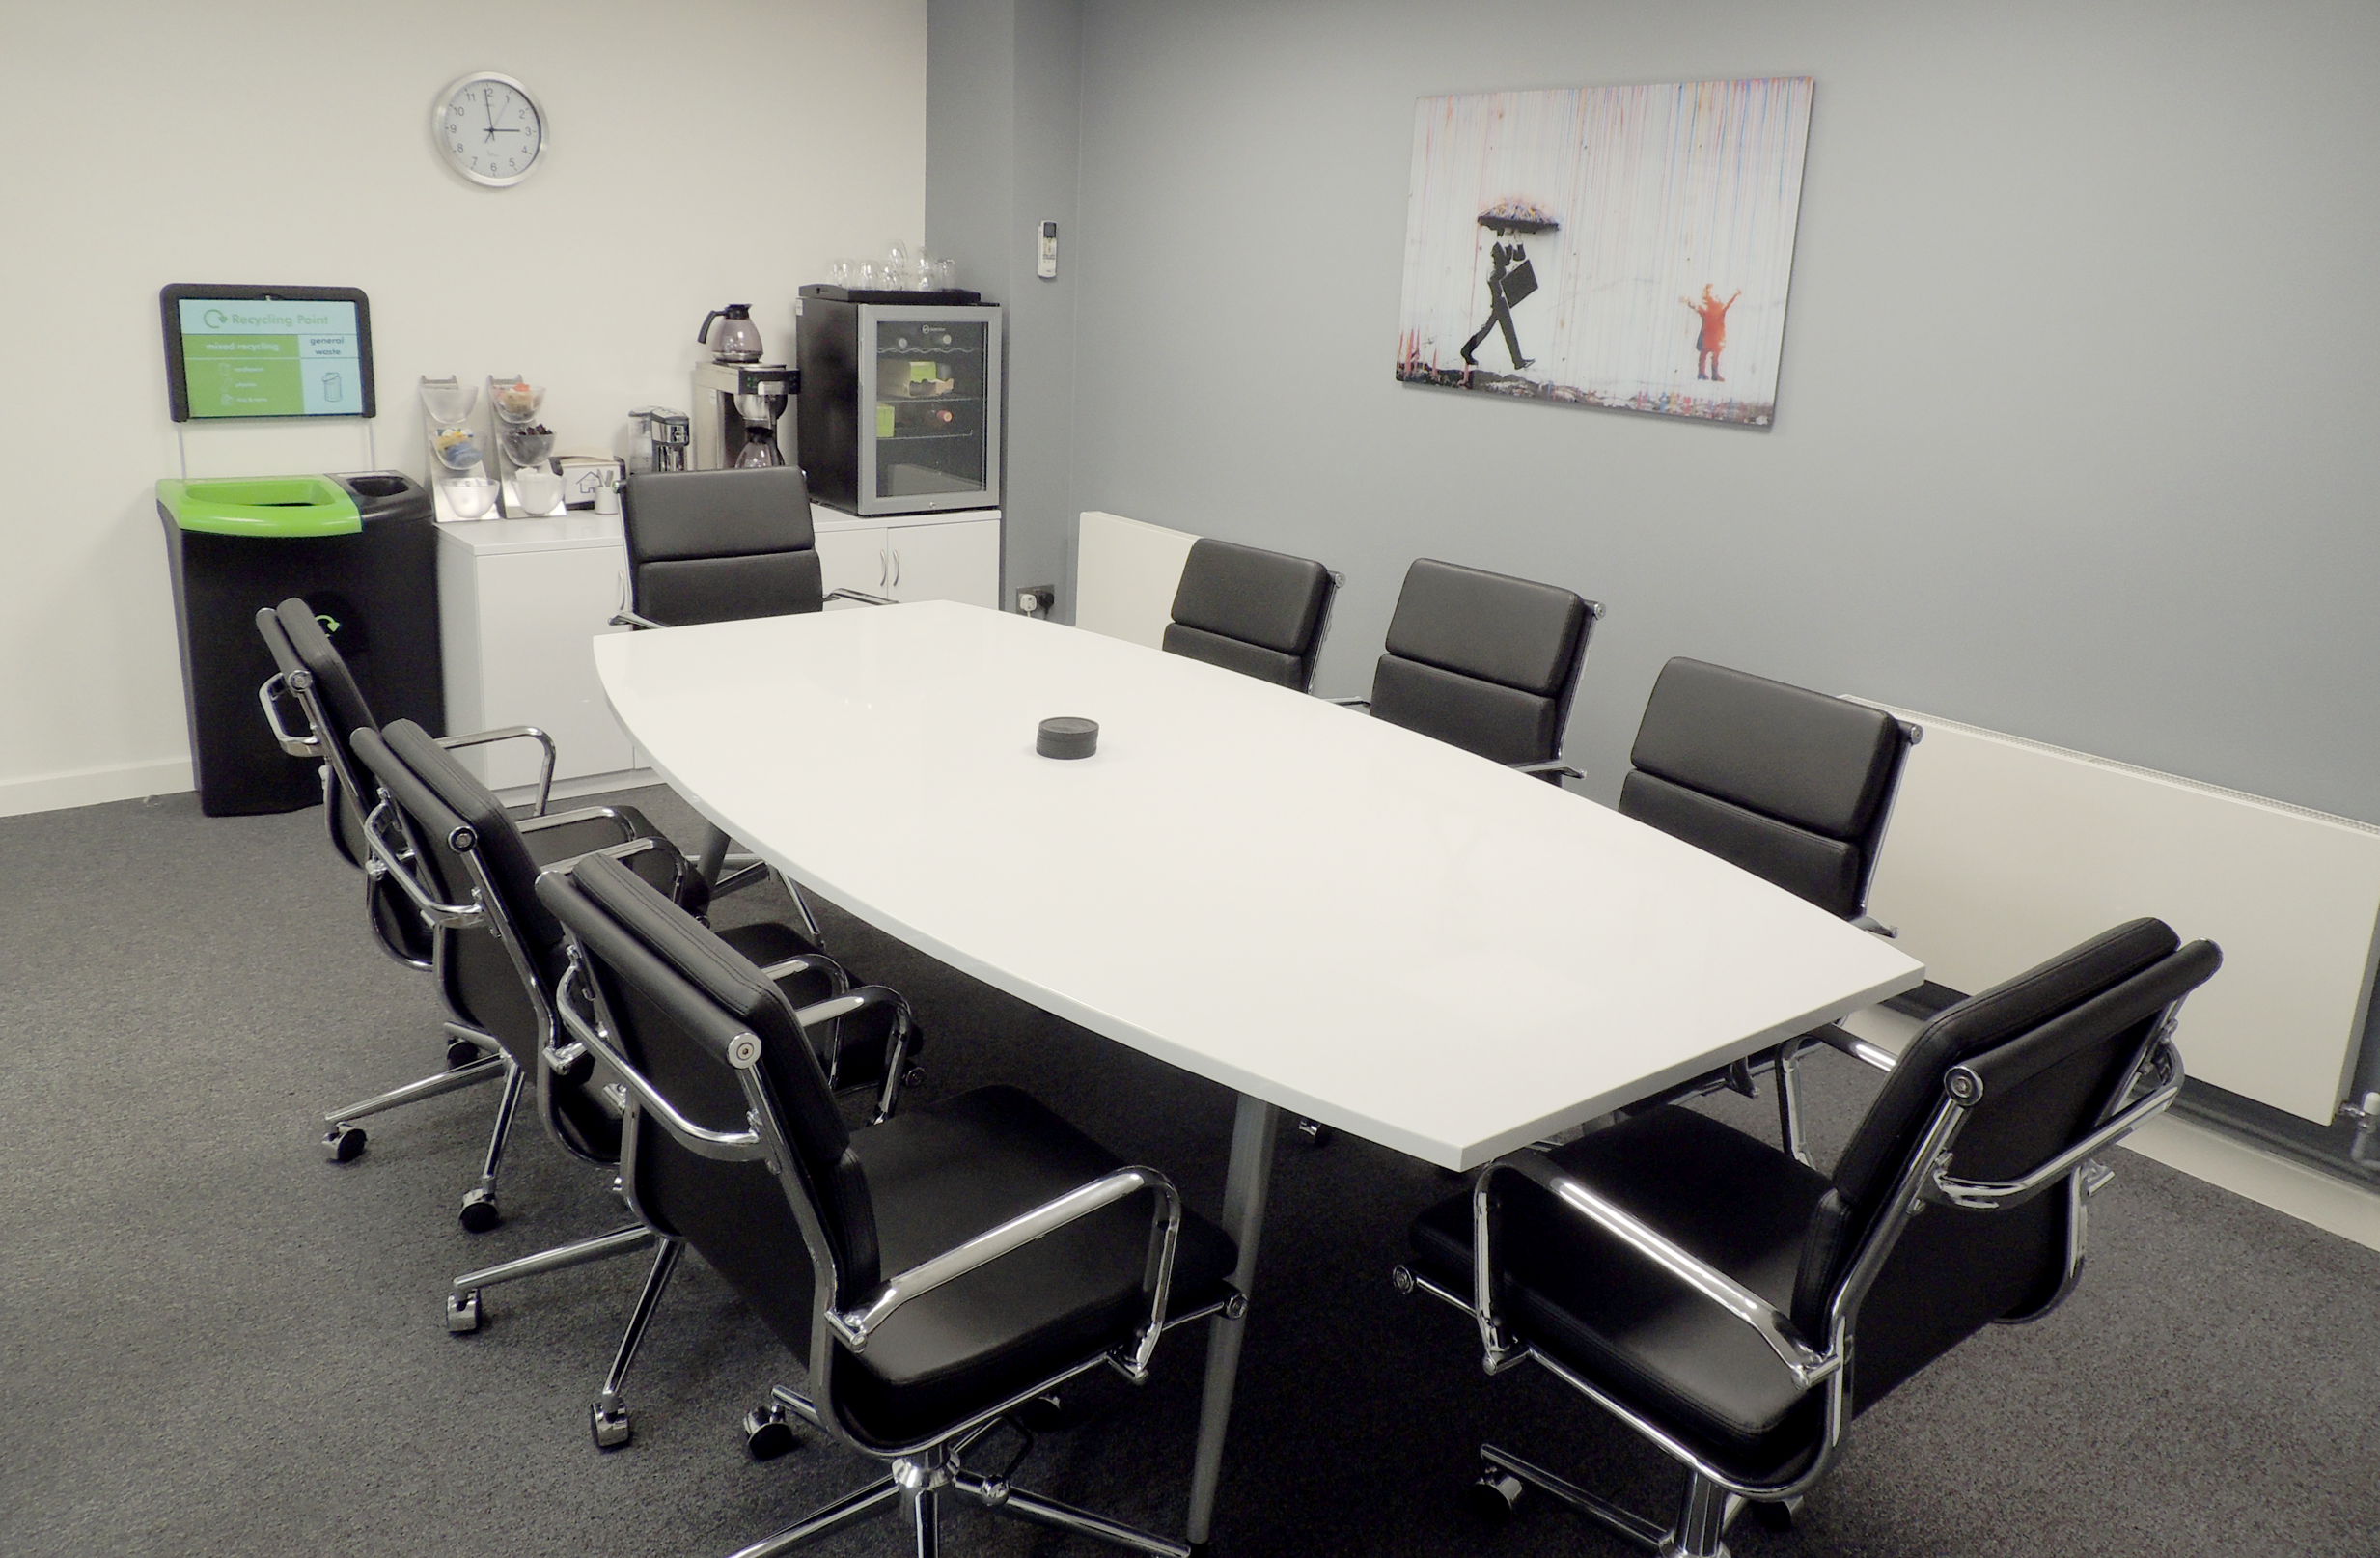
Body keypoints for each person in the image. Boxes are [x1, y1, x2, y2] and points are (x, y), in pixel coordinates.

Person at [1461, 241, 1535, 372]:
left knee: (1493, 330)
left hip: (1500, 302)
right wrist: (1511, 263)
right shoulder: (1497, 259)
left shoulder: (1503, 252)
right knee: (1508, 331)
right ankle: (1518, 361)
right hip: (1499, 302)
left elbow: (1519, 256)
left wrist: (1519, 244)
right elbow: (1503, 265)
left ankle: (1467, 350)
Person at [1682, 285, 1741, 381]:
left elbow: (1696, 307)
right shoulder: (1719, 308)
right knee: (1712, 356)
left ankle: (1703, 373)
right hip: (1715, 337)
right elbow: (1729, 303)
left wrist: (1688, 301)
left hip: (1709, 336)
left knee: (1706, 355)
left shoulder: (1709, 308)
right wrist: (1736, 295)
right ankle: (1711, 374)